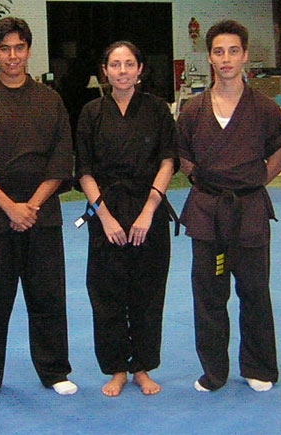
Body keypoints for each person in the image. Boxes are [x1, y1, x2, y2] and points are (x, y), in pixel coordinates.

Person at [0, 17, 76, 400]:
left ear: (28, 51)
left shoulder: (50, 100)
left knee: (48, 297)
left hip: (42, 214)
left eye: (19, 48)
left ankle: (55, 370)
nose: (13, 56)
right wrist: (11, 207)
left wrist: (32, 206)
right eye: (5, 48)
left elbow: (61, 161)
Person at [177, 20, 281, 393]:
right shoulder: (192, 109)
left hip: (249, 211)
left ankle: (259, 367)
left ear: (245, 56)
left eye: (233, 51)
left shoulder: (265, 108)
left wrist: (248, 186)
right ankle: (214, 371)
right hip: (207, 212)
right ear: (209, 57)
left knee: (254, 291)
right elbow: (186, 161)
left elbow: (277, 158)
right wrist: (213, 188)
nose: (226, 59)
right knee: (209, 294)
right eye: (219, 51)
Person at [75, 41, 178, 397]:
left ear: (140, 69)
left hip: (148, 209)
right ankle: (117, 368)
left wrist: (149, 211)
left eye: (129, 64)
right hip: (106, 210)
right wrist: (104, 217)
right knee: (106, 294)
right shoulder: (91, 113)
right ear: (104, 70)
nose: (122, 71)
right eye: (115, 65)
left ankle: (142, 367)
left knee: (148, 292)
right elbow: (84, 170)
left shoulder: (157, 109)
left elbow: (168, 161)